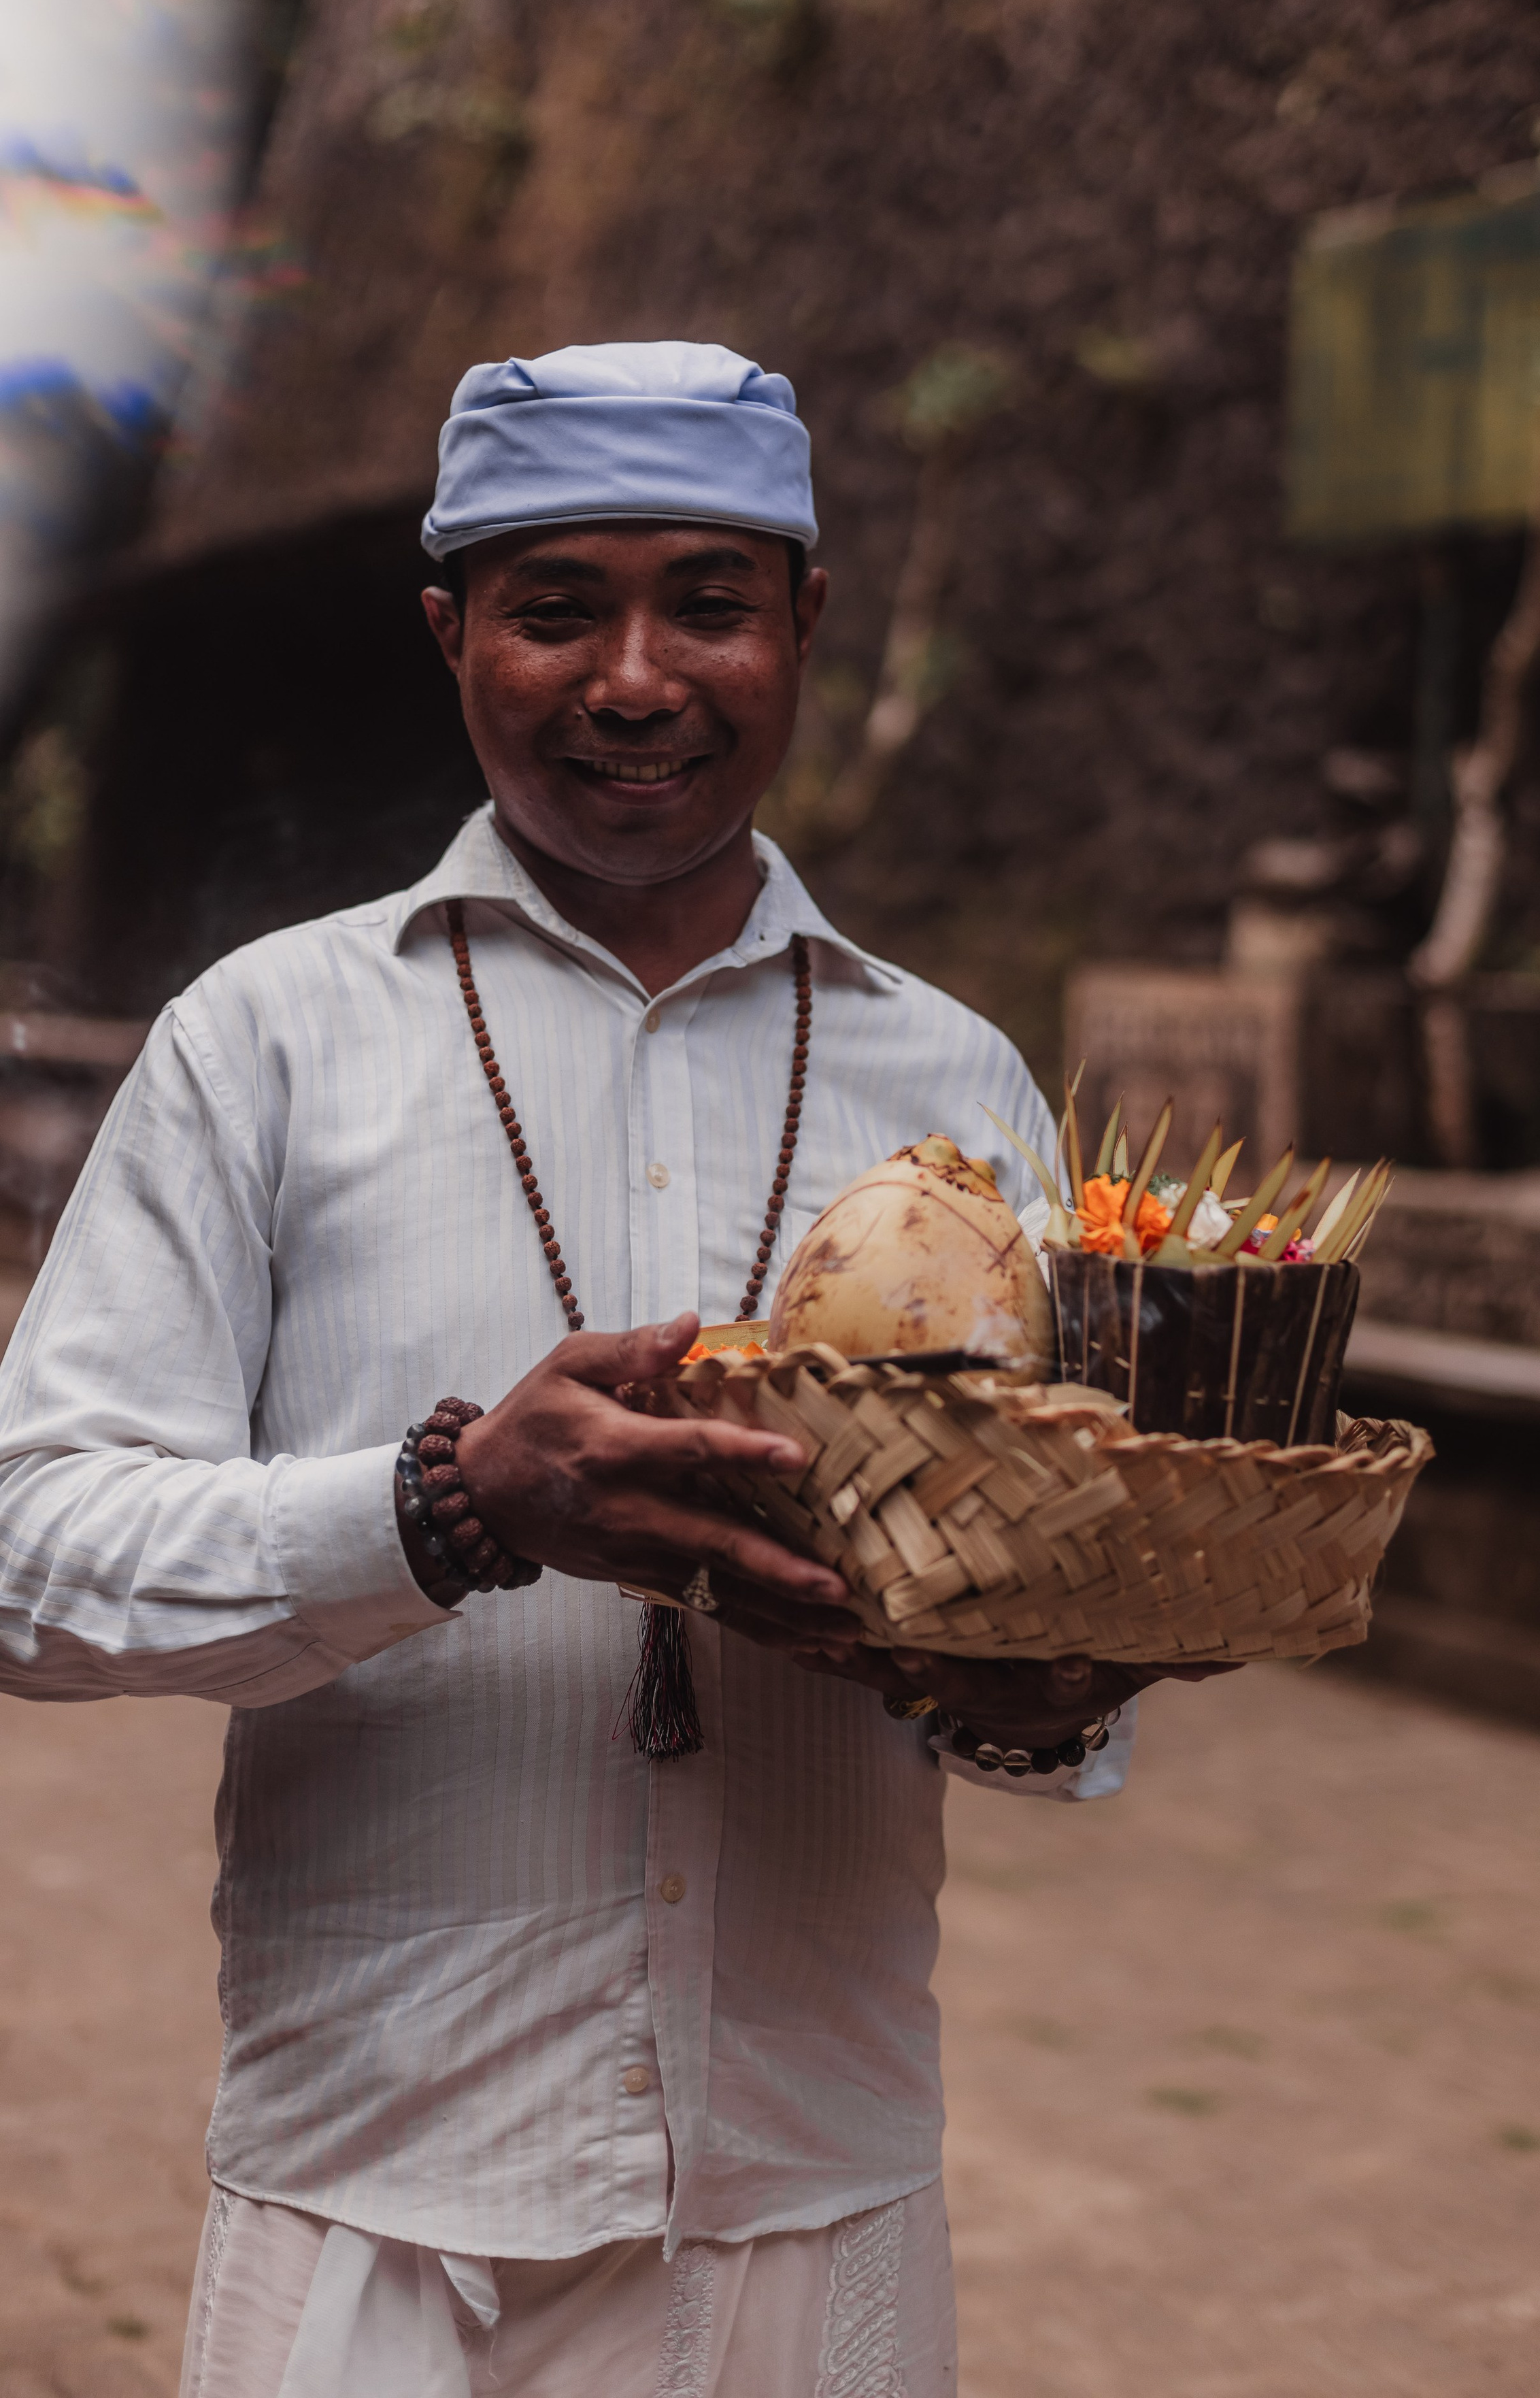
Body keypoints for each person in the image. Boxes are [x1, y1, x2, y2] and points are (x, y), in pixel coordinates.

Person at [0, 341, 1220, 2397]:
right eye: (557, 604)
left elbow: (1051, 1627)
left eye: (711, 605)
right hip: (378, 2199)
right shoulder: (270, 1040)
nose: (636, 678)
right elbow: (33, 1558)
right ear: (450, 633)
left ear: (804, 624)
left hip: (814, 2208)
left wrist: (1047, 1684)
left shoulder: (958, 1082)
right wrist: (454, 1506)